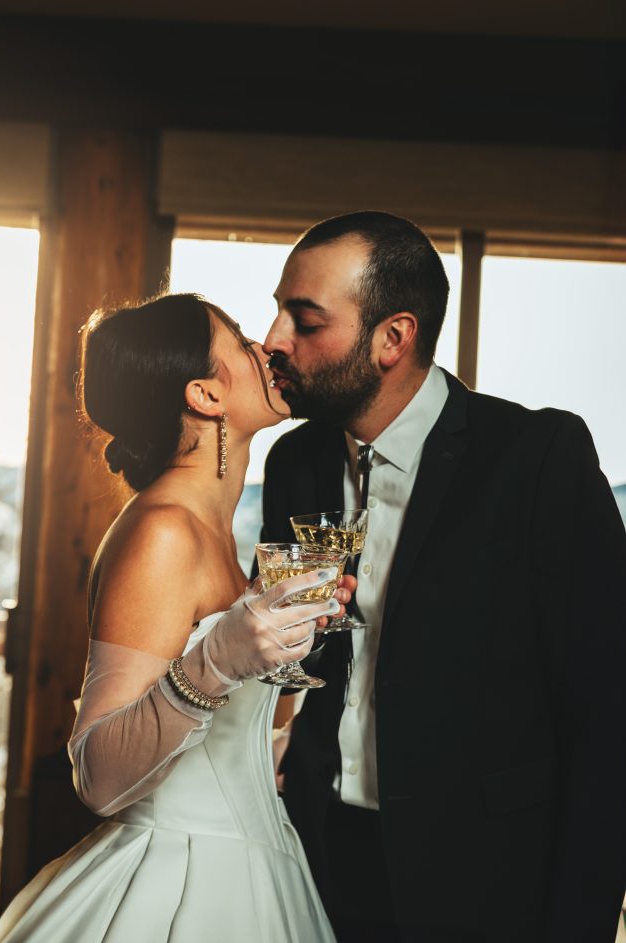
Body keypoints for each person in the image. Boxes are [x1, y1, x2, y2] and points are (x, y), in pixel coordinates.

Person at [259, 212, 626, 943]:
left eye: (304, 320)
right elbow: (298, 660)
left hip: (487, 880)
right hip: (317, 858)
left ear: (393, 337)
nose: (273, 340)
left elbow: (607, 712)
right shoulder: (292, 463)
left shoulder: (537, 457)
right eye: (279, 312)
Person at [0, 292, 349, 943]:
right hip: (180, 880)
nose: (266, 348)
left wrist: (293, 640)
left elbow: (231, 746)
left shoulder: (219, 536)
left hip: (263, 867)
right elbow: (98, 774)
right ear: (205, 395)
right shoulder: (162, 533)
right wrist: (215, 661)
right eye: (240, 341)